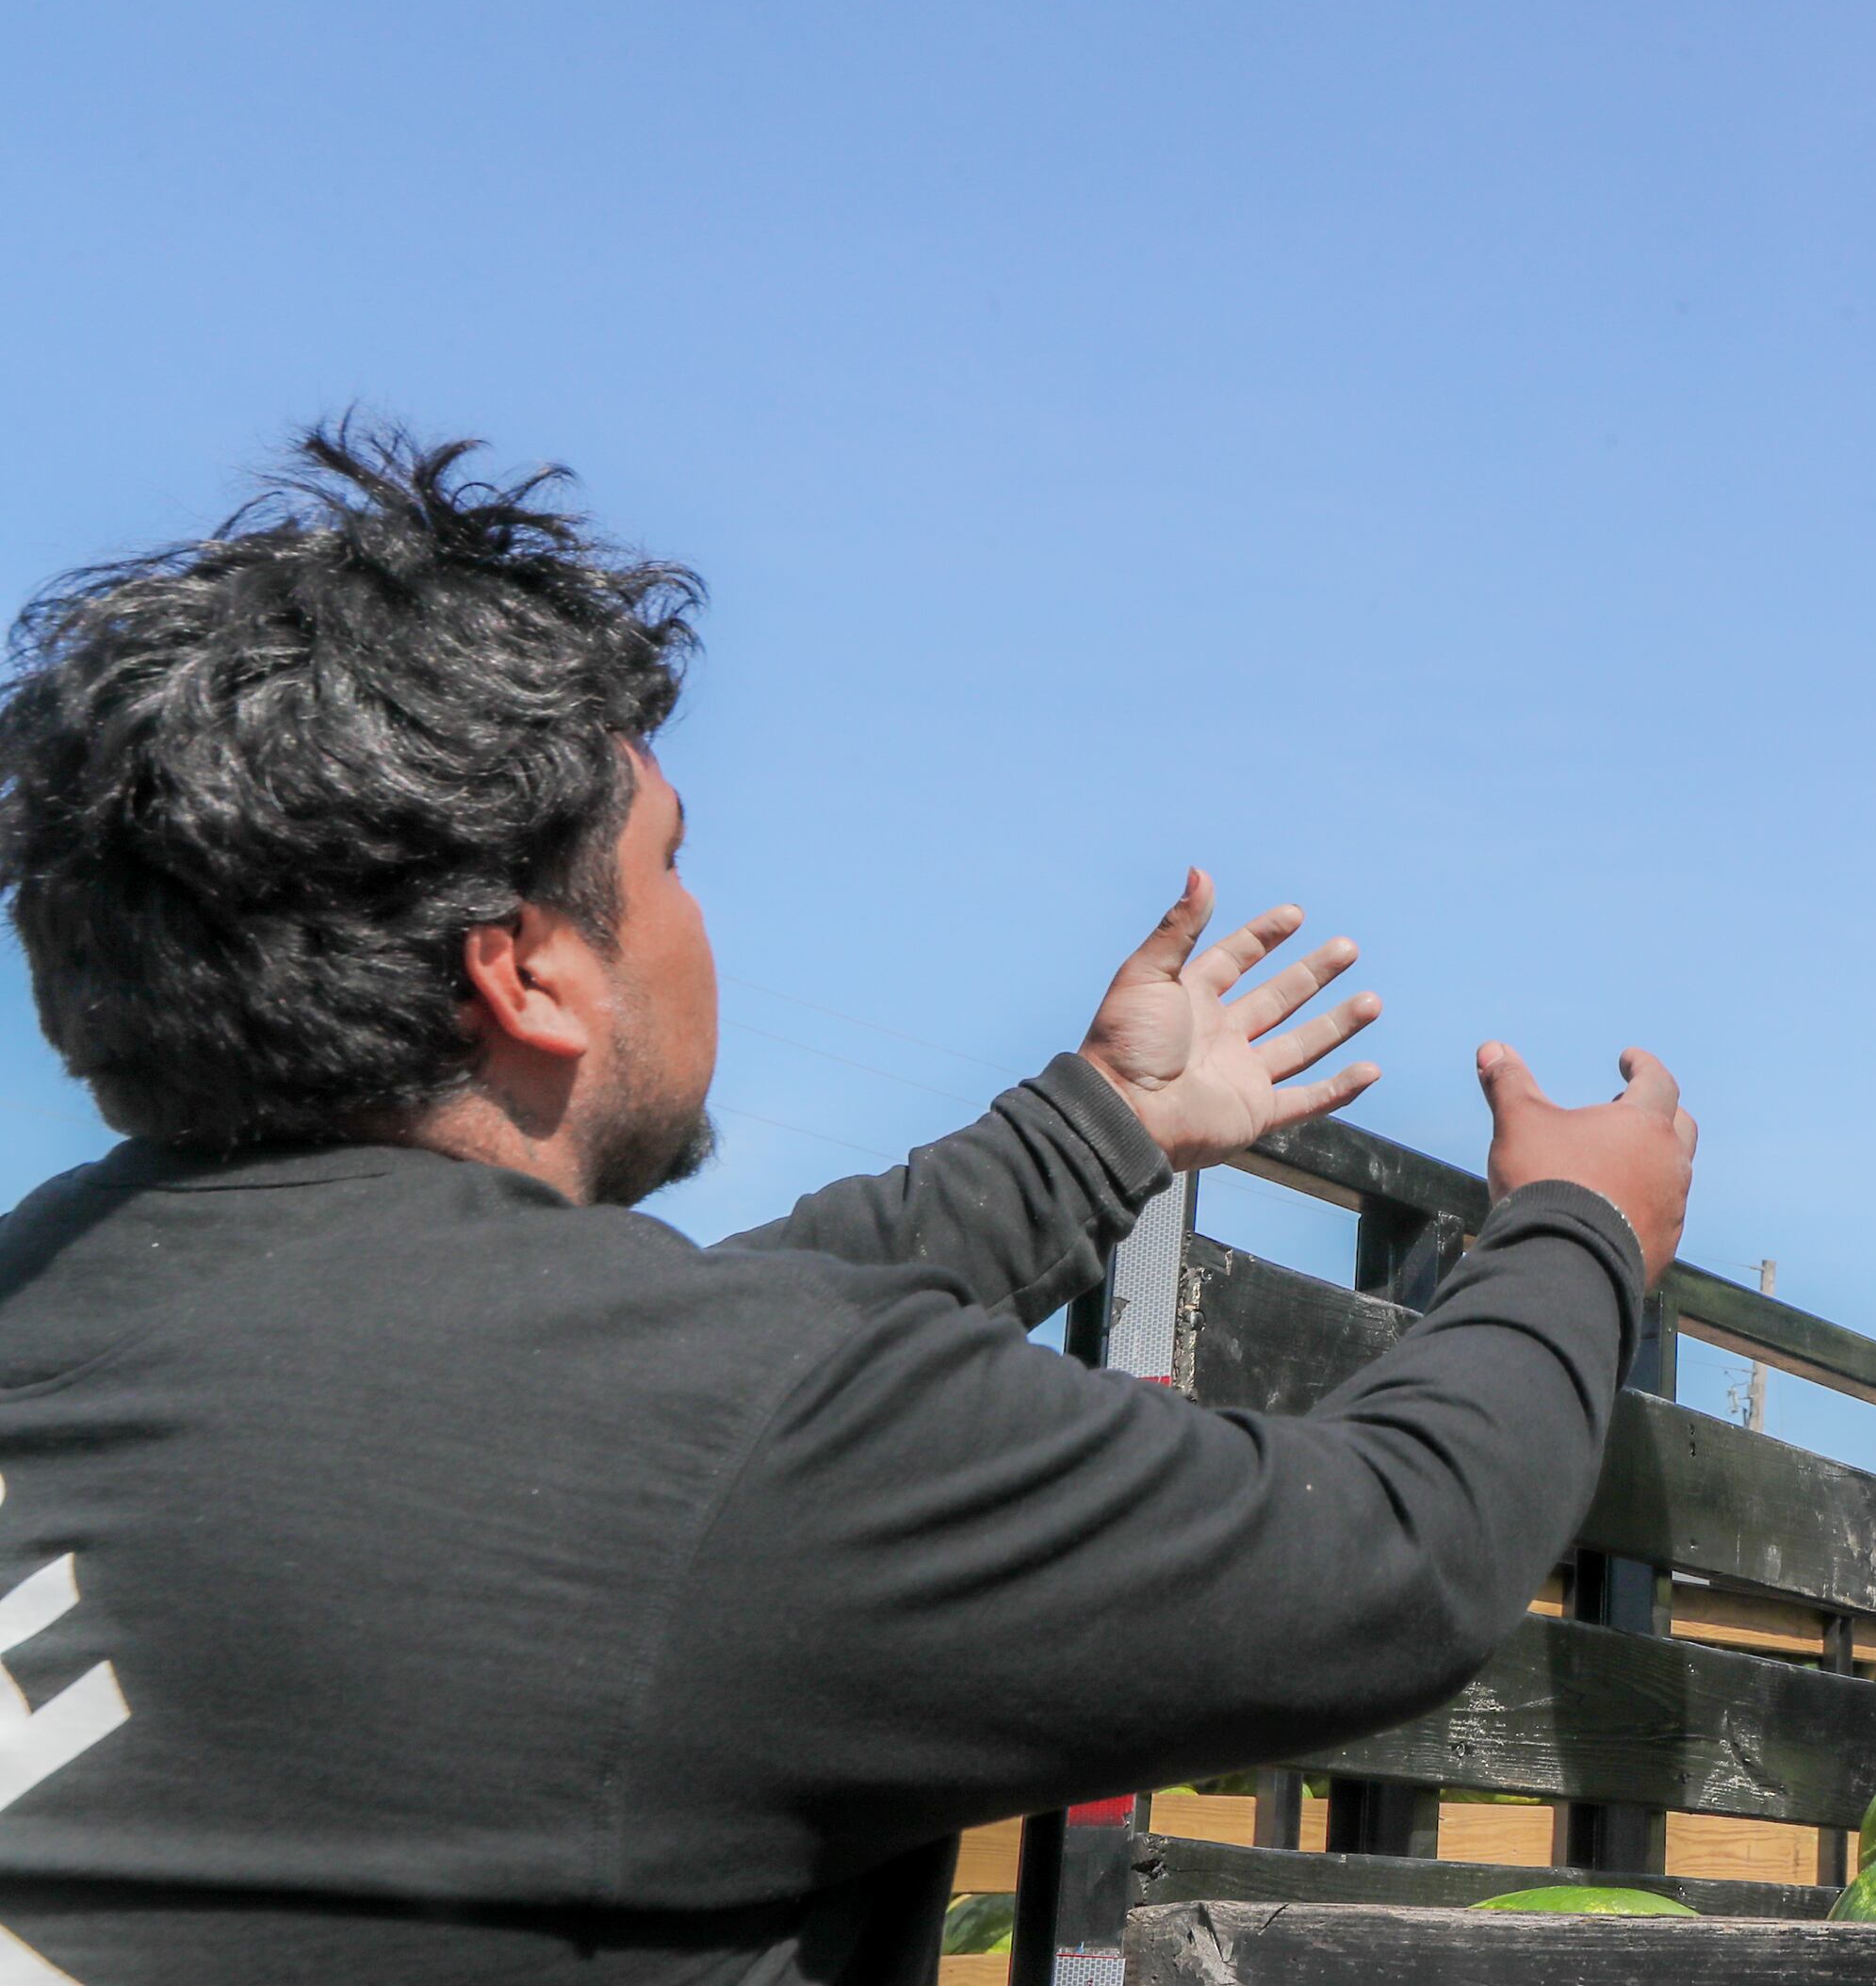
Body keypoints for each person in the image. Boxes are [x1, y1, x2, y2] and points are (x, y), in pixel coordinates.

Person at [0, 426, 1699, 1984]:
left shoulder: (90, 1322)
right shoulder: (700, 1439)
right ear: (525, 973)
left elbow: (677, 1389)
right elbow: (1390, 1555)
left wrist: (1095, 1127)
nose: (692, 920)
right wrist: (1576, 1227)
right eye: (668, 861)